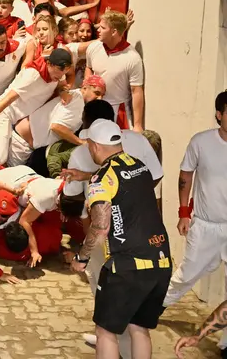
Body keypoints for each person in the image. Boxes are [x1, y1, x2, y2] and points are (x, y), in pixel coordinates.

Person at [71, 119, 172, 359]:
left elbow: (100, 226)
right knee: (139, 328)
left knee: (105, 331)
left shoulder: (101, 180)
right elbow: (120, 182)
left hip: (128, 266)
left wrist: (81, 257)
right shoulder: (140, 166)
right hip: (160, 262)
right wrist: (84, 175)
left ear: (95, 146)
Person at [162, 91, 227, 352]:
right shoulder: (201, 142)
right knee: (187, 274)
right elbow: (185, 175)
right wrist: (183, 213)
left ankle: (225, 343)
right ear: (219, 115)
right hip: (206, 224)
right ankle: (152, 308)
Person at [0, 48, 72, 166]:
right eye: (60, 69)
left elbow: (61, 85)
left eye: (65, 70)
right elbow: (8, 98)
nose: (62, 74)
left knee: (9, 163)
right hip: (3, 114)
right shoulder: (32, 74)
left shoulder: (58, 74)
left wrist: (63, 92)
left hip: (15, 121)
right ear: (49, 64)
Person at [68, 10, 144, 131]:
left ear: (114, 32)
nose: (97, 30)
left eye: (102, 28)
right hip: (94, 107)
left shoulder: (133, 58)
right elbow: (89, 67)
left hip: (118, 111)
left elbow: (136, 91)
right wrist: (88, 87)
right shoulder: (93, 47)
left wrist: (138, 124)